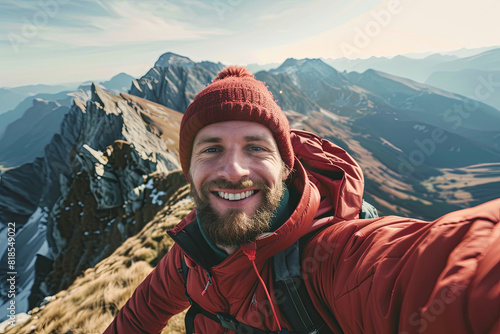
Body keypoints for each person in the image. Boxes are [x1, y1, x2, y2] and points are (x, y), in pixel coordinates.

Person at [104, 66, 500, 334]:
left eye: (256, 148)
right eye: (210, 150)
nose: (234, 170)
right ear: (187, 171)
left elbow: (437, 268)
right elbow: (138, 318)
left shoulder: (330, 258)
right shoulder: (191, 251)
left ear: (286, 168)